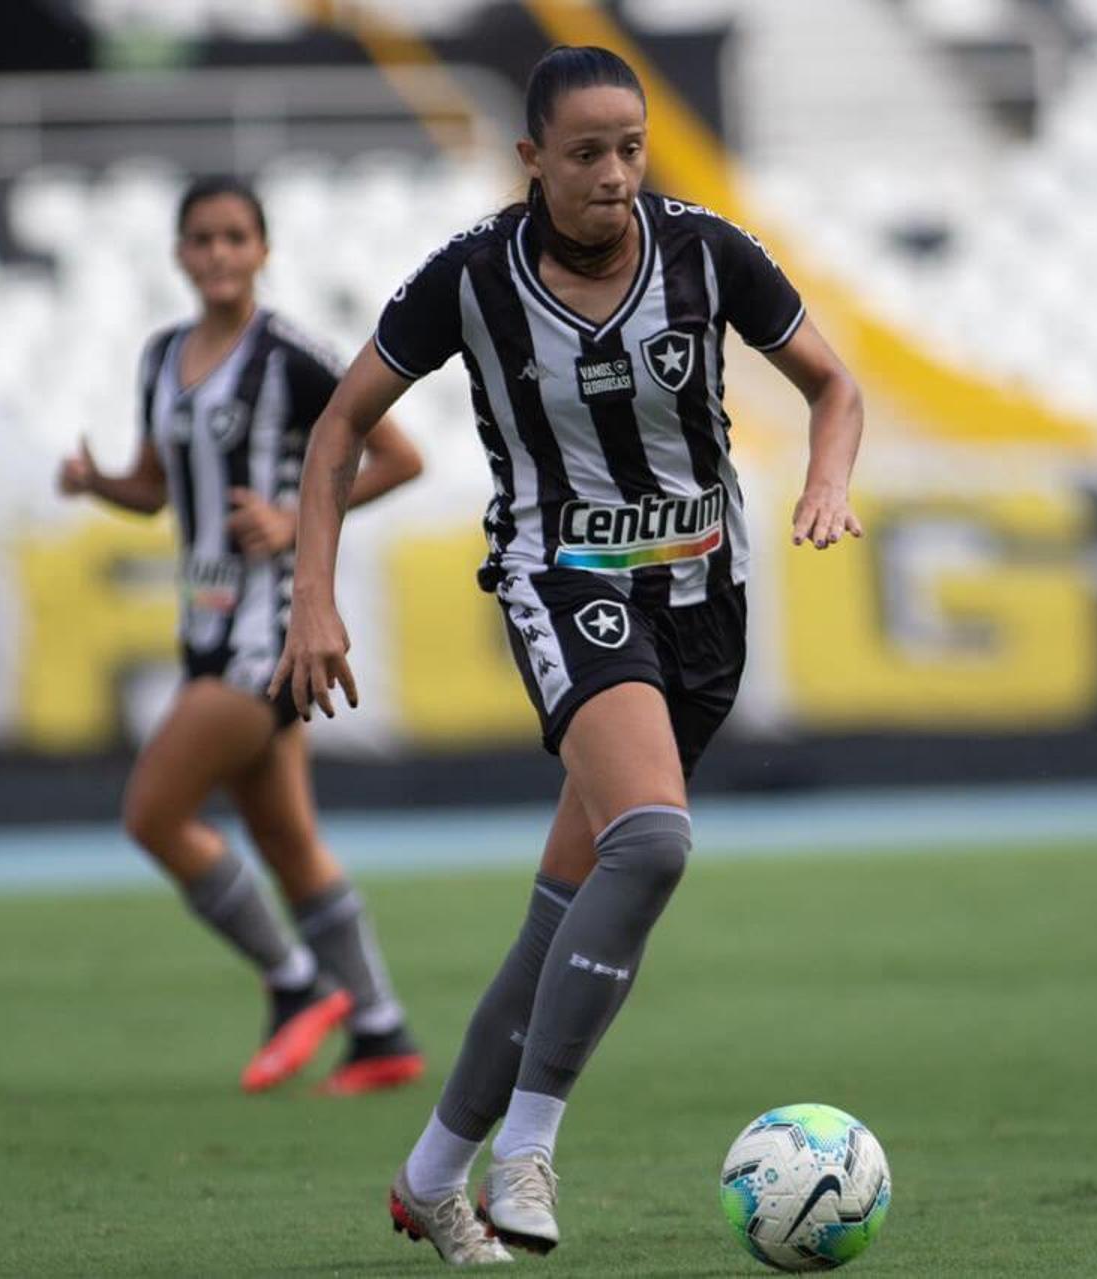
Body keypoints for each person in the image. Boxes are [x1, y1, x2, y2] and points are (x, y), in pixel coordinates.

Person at [270, 45, 865, 1266]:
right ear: (531, 160)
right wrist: (311, 600)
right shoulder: (472, 279)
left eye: (630, 149)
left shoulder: (707, 252)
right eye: (585, 153)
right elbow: (339, 427)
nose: (613, 175)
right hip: (565, 583)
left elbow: (833, 384)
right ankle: (528, 1147)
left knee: (563, 918)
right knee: (652, 842)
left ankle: (430, 1178)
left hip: (706, 602)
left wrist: (827, 476)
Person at [58, 177, 427, 1096]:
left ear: (263, 250)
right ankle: (381, 1028)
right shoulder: (161, 356)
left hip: (270, 635)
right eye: (202, 239)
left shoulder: (290, 355)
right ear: (180, 255)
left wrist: (295, 518)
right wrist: (101, 483)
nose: (219, 254)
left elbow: (399, 456)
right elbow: (155, 486)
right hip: (204, 623)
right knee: (289, 842)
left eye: (235, 237)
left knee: (153, 814)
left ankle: (296, 983)